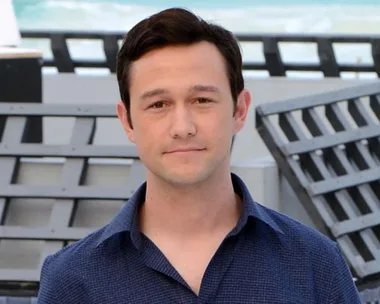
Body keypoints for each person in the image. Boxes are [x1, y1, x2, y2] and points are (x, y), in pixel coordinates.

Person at [37, 7, 361, 304]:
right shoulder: (72, 281)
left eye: (202, 100)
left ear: (239, 109)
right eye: (158, 104)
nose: (183, 127)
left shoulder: (315, 263)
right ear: (128, 121)